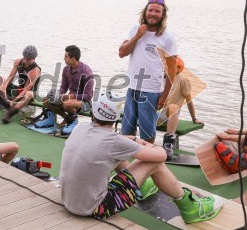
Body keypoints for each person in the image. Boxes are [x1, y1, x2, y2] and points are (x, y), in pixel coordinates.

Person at [59, 93, 223, 223]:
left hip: (69, 201)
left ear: (94, 112)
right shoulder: (113, 142)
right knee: (155, 164)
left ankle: (142, 186)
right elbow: (162, 156)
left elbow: (112, 143)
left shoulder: (80, 128)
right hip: (94, 208)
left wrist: (133, 141)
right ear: (116, 117)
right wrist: (151, 146)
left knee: (117, 153)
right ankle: (191, 208)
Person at [119, 0, 178, 143]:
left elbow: (172, 70)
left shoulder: (167, 38)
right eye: (150, 10)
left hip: (150, 91)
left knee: (147, 133)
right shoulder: (135, 30)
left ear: (163, 15)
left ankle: (148, 160)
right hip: (132, 87)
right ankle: (127, 161)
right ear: (145, 12)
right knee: (126, 131)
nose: (153, 14)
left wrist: (164, 95)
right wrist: (137, 36)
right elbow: (121, 53)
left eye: (157, 11)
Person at [40, 45, 94, 135]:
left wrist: (71, 96)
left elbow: (88, 95)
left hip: (85, 103)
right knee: (46, 100)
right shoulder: (66, 69)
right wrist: (56, 94)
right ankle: (64, 119)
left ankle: (73, 121)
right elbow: (63, 88)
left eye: (66, 56)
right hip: (69, 99)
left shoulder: (87, 71)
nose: (64, 58)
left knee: (67, 104)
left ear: (73, 58)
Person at [157, 56, 203, 152]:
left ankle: (168, 144)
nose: (165, 67)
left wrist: (194, 118)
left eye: (169, 66)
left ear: (177, 68)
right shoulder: (158, 78)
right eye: (165, 65)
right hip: (155, 113)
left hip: (169, 114)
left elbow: (189, 101)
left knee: (173, 107)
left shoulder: (183, 81)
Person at [0, 45, 41, 124]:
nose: (25, 60)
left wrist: (14, 101)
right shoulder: (18, 62)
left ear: (33, 59)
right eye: (24, 58)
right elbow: (10, 77)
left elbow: (26, 89)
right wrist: (4, 87)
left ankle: (10, 113)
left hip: (30, 92)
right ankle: (5, 100)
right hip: (20, 88)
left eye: (27, 59)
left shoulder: (35, 70)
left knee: (28, 94)